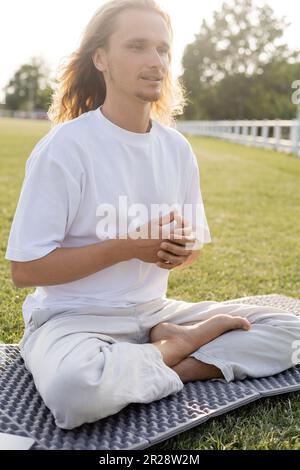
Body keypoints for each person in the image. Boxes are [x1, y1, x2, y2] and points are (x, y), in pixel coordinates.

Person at [5, 0, 300, 430]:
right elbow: (24, 269)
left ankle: (166, 360)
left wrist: (178, 251)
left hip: (155, 314)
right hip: (74, 321)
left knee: (289, 331)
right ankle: (180, 352)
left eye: (162, 49)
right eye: (138, 46)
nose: (155, 61)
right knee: (75, 389)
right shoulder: (65, 148)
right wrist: (129, 248)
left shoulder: (176, 148)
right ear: (100, 58)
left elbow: (192, 249)